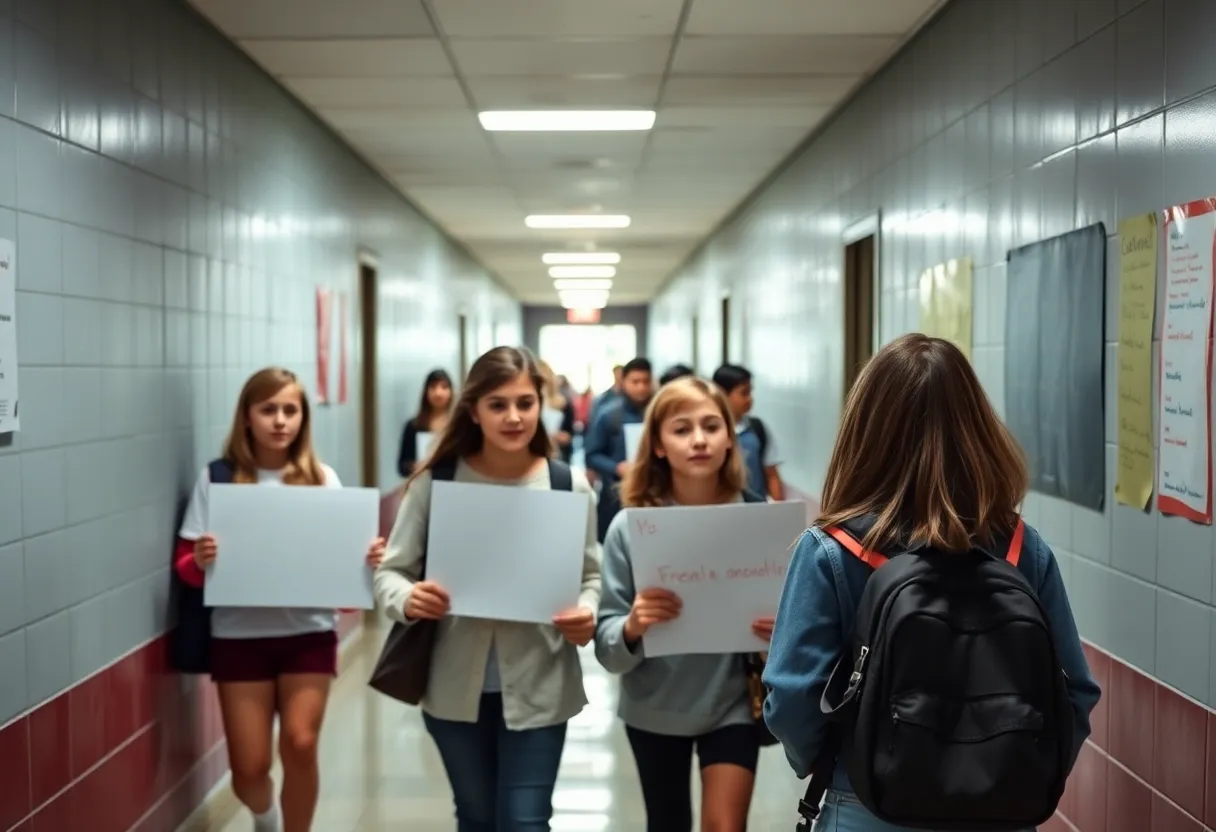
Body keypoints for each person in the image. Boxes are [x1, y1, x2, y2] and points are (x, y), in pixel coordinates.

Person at [762, 334, 1101, 831]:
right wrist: (1014, 776)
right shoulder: (1021, 548)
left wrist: (829, 764)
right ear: (978, 427)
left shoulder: (830, 550)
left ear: (864, 429)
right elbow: (1076, 694)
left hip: (867, 808)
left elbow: (793, 698)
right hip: (1001, 813)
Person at [374, 346, 601, 831]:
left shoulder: (567, 485)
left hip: (542, 683)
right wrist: (409, 599)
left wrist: (587, 611)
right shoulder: (436, 482)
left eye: (525, 402)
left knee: (525, 821)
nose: (513, 417)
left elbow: (591, 576)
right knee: (476, 818)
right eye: (498, 404)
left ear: (542, 405)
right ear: (474, 410)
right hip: (453, 686)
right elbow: (389, 574)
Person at [174, 367, 386, 832]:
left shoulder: (321, 479)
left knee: (301, 743)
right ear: (247, 417)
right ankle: (266, 818)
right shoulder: (219, 478)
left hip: (308, 634)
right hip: (238, 638)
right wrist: (201, 559)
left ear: (303, 417)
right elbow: (185, 568)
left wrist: (363, 564)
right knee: (249, 770)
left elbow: (345, 592)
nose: (280, 420)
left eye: (290, 410)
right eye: (268, 409)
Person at [595, 376, 773, 832]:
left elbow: (799, 626)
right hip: (655, 707)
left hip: (734, 702)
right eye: (681, 429)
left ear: (730, 437)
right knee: (667, 822)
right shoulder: (630, 528)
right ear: (657, 444)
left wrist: (781, 636)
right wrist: (633, 625)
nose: (699, 440)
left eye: (712, 426)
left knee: (725, 827)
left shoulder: (761, 517)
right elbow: (607, 648)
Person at [584, 357, 655, 542]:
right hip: (616, 495)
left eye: (645, 382)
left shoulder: (657, 414)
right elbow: (591, 455)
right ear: (623, 382)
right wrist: (616, 468)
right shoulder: (608, 414)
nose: (641, 387)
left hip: (653, 493)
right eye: (635, 382)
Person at [711, 364, 785, 500]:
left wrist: (779, 507)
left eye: (750, 392)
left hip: (756, 509)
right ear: (722, 393)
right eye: (744, 393)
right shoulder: (709, 433)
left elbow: (772, 475)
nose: (749, 399)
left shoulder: (757, 428)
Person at [397, 369, 454, 477]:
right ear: (426, 392)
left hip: (451, 483)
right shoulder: (413, 426)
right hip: (421, 482)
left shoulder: (458, 425)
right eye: (433, 387)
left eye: (444, 387)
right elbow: (402, 466)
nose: (438, 393)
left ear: (451, 391)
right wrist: (415, 466)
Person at [538, 359, 576, 464]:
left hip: (559, 454)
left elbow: (570, 433)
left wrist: (563, 436)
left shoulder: (564, 403)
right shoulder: (528, 405)